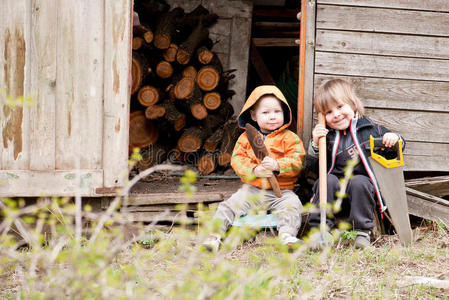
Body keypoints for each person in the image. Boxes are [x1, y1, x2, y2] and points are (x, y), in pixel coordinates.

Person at [202, 85, 306, 252]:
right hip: (253, 189)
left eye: (277, 112)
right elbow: (237, 160)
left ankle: (287, 236)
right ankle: (213, 237)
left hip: (282, 191)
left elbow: (297, 160)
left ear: (284, 113)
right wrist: (253, 170)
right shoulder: (246, 138)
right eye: (265, 113)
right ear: (253, 115)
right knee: (228, 205)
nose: (272, 117)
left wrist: (278, 165)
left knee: (293, 205)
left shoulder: (290, 138)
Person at [305, 79, 405, 249]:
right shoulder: (326, 137)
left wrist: (395, 139)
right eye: (328, 112)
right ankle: (320, 231)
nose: (336, 114)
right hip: (334, 190)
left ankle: (361, 233)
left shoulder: (370, 129)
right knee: (326, 180)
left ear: (353, 104)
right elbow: (313, 170)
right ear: (323, 117)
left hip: (362, 191)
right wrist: (315, 145)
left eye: (340, 107)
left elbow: (395, 150)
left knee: (360, 181)